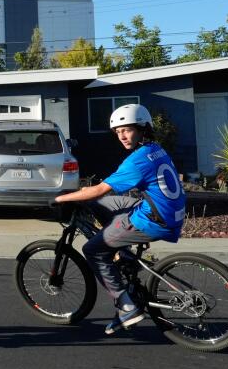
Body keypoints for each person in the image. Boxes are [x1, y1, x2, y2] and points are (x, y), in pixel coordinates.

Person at [53, 104, 186, 335]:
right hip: (167, 210)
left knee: (93, 250)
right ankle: (122, 253)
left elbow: (99, 189)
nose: (122, 136)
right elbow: (101, 196)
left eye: (127, 130)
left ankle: (127, 306)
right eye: (117, 132)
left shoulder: (136, 161)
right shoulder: (155, 149)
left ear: (143, 128)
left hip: (154, 219)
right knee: (103, 205)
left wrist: (62, 198)